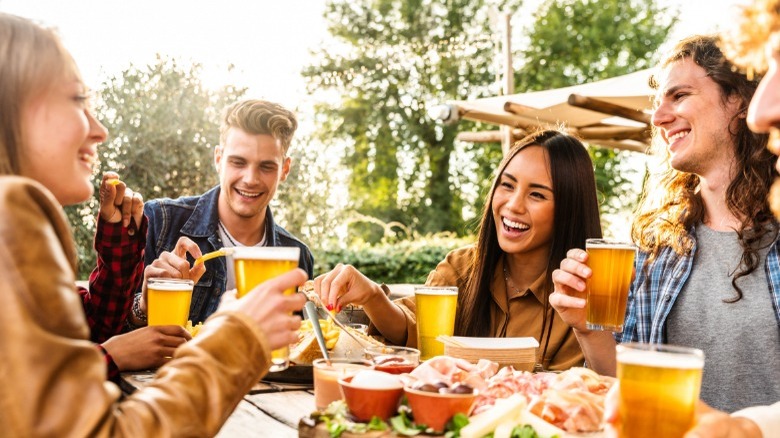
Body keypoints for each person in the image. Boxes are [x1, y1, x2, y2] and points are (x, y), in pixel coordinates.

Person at [0, 12, 306, 435]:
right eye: (76, 101)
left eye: (266, 166)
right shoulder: (11, 213)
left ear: (283, 170)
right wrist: (239, 334)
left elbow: (78, 336)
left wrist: (120, 252)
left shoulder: (295, 251)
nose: (100, 130)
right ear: (14, 111)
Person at [550, 34, 780, 413]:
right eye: (658, 103)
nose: (657, 118)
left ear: (738, 100)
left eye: (679, 96)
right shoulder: (661, 246)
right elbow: (627, 391)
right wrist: (589, 329)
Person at [316, 130, 602, 370]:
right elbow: (413, 330)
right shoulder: (462, 267)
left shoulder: (579, 294)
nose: (513, 205)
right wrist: (372, 296)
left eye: (537, 194)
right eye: (507, 185)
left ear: (568, 209)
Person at [127, 99, 314, 328]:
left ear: (284, 169)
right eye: (238, 162)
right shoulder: (160, 221)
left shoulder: (297, 256)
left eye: (266, 167)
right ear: (218, 159)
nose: (250, 179)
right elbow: (112, 327)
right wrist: (145, 305)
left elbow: (296, 344)